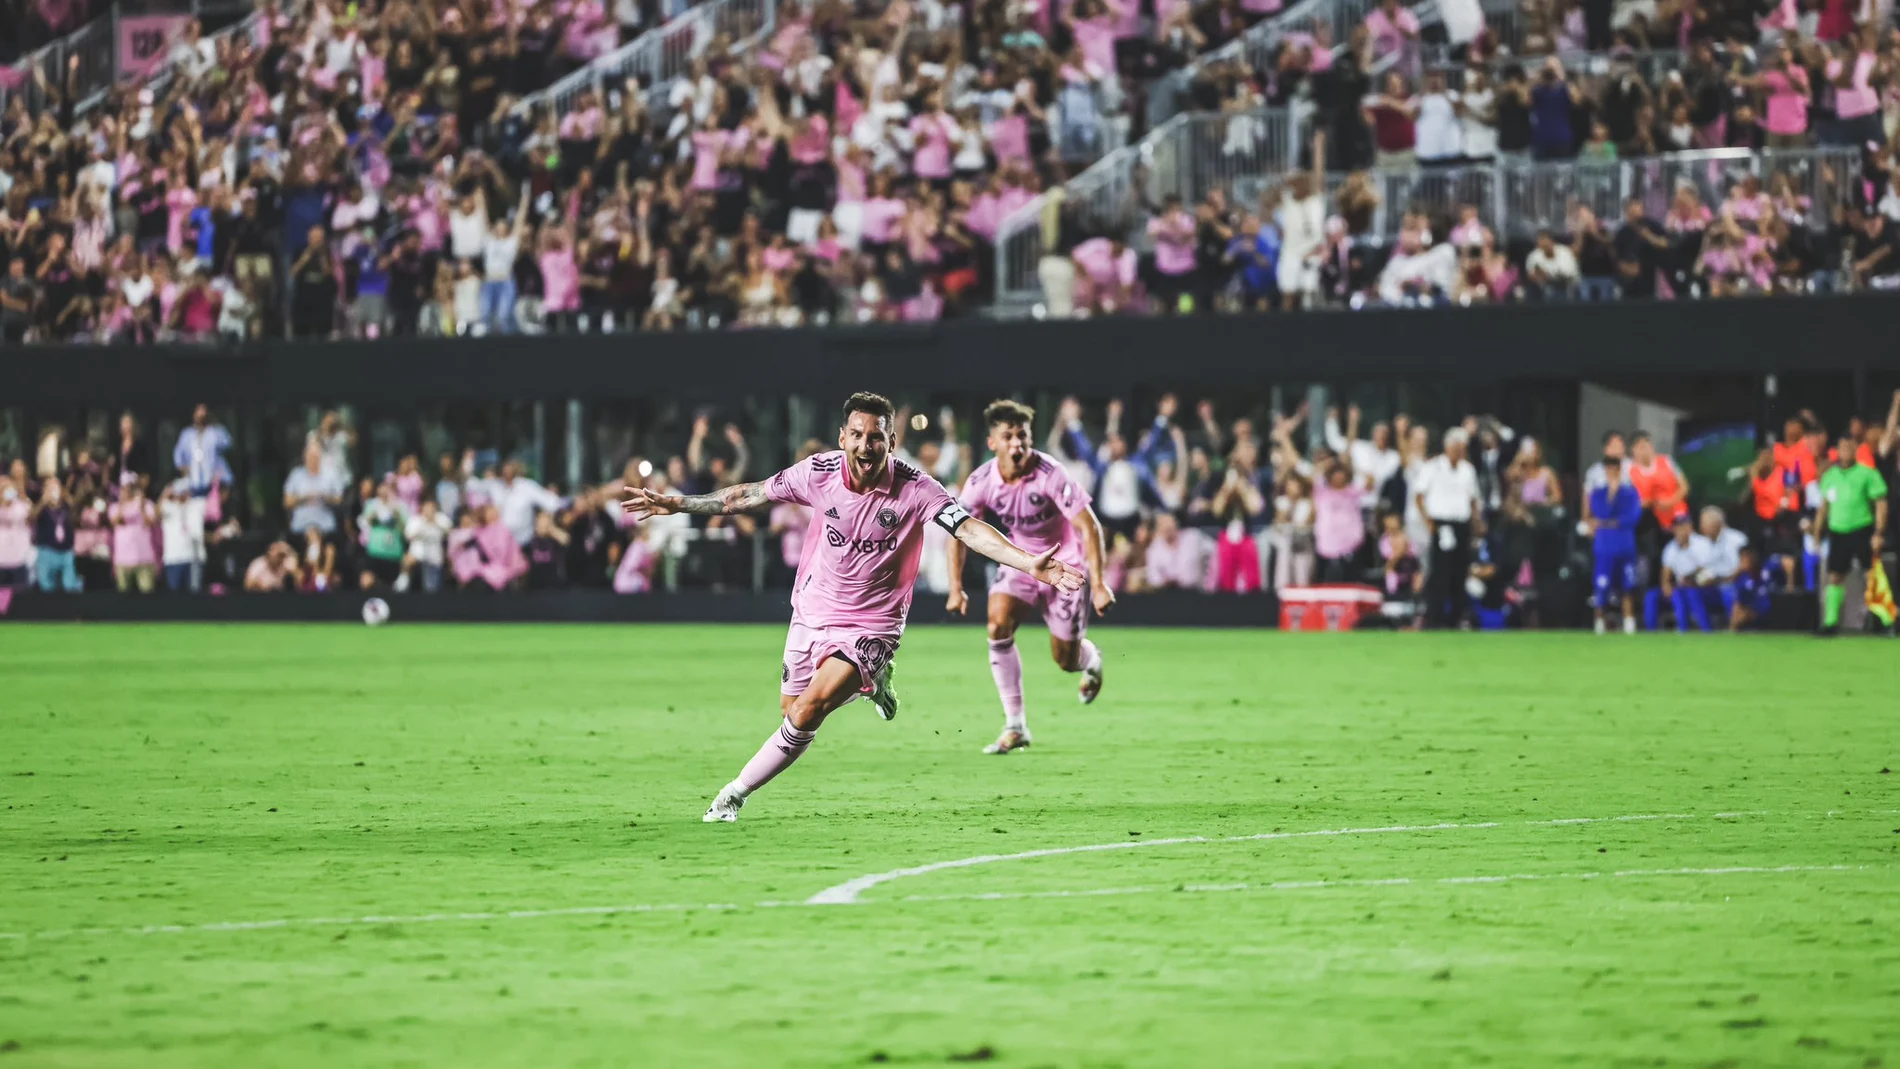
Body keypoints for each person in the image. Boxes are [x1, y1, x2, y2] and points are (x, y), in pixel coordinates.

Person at [620, 393, 1085, 823]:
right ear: (843, 438)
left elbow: (968, 529)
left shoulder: (916, 488)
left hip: (873, 624)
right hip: (811, 610)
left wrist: (1030, 564)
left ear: (891, 441)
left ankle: (732, 796)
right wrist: (680, 503)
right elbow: (748, 495)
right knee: (791, 711)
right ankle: (873, 685)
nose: (866, 445)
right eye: (857, 435)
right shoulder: (817, 473)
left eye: (876, 436)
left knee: (809, 710)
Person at [946, 400, 1115, 756]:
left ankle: (1092, 659)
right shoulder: (981, 481)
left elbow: (1089, 526)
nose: (1017, 443)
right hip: (1022, 563)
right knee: (997, 625)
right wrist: (956, 586)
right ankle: (1015, 725)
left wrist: (1098, 583)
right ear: (993, 442)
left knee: (1065, 660)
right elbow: (959, 531)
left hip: (1064, 568)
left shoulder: (1050, 473)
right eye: (1008, 436)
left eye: (1022, 435)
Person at [1813, 433, 1888, 635]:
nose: (1846, 451)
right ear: (1837, 450)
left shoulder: (1867, 474)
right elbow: (1823, 508)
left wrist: (1879, 533)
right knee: (1835, 576)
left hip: (1862, 529)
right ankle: (1830, 623)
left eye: (1850, 447)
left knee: (1871, 574)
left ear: (1856, 449)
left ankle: (1885, 620)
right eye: (1843, 447)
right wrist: (1817, 532)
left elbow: (1880, 505)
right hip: (1838, 531)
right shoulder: (1830, 476)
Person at [1413, 427, 1483, 628]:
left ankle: (1456, 618)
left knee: (1460, 572)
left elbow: (1473, 499)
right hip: (1441, 523)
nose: (1460, 451)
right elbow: (1419, 495)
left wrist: (1476, 523)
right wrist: (1428, 522)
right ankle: (1434, 618)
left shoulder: (1468, 470)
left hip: (1461, 523)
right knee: (1440, 572)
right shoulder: (1433, 467)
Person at [1588, 455, 1643, 634]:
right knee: (1601, 585)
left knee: (1628, 585)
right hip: (1604, 546)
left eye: (1615, 468)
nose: (1612, 472)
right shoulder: (1598, 493)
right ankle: (1599, 622)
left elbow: (1633, 517)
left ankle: (1629, 622)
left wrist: (1608, 523)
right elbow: (1598, 513)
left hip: (1625, 545)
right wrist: (1611, 495)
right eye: (1608, 468)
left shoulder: (1630, 492)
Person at [1650, 515, 1715, 632]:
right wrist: (1666, 585)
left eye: (1684, 527)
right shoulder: (1671, 547)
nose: (1681, 531)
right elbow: (1666, 571)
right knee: (1653, 596)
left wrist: (1687, 547)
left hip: (1704, 585)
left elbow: (1706, 571)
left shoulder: (1702, 543)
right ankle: (1655, 633)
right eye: (1678, 528)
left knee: (1690, 593)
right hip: (1681, 586)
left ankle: (1705, 630)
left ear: (1690, 528)